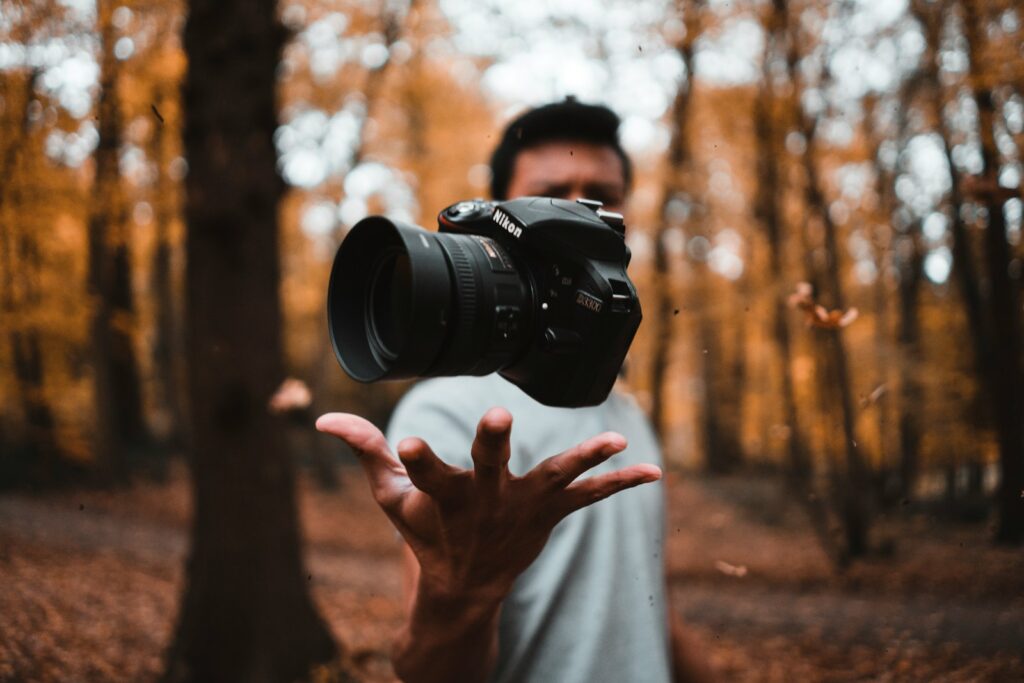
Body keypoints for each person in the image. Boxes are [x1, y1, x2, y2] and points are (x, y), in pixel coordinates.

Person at [317, 99, 715, 683]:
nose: (583, 214)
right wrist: (463, 593)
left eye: (601, 197)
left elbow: (649, 608)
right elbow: (430, 671)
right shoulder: (449, 413)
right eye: (556, 193)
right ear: (503, 209)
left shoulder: (624, 409)